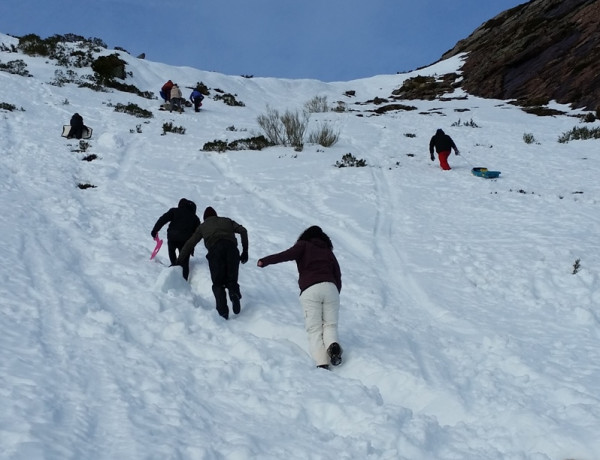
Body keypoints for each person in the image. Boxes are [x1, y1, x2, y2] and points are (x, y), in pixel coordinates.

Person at [257, 226, 343, 370]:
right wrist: (335, 291)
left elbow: (285, 255)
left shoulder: (303, 245)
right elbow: (337, 274)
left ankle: (322, 363)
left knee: (314, 329)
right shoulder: (328, 251)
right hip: (331, 288)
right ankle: (332, 347)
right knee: (330, 325)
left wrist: (264, 261)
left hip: (311, 289)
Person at [177, 206, 249, 320]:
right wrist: (245, 250)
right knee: (232, 279)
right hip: (232, 250)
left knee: (218, 283)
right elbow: (243, 230)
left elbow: (190, 243)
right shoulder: (227, 220)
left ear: (205, 218)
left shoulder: (203, 226)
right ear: (216, 215)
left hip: (215, 251)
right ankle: (234, 294)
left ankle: (223, 313)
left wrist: (179, 260)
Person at [151, 198, 200, 280]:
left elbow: (163, 219)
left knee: (172, 252)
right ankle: (184, 282)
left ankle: (173, 268)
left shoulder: (174, 211)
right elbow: (197, 234)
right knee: (184, 263)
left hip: (172, 237)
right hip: (186, 241)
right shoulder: (195, 218)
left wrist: (155, 230)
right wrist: (191, 248)